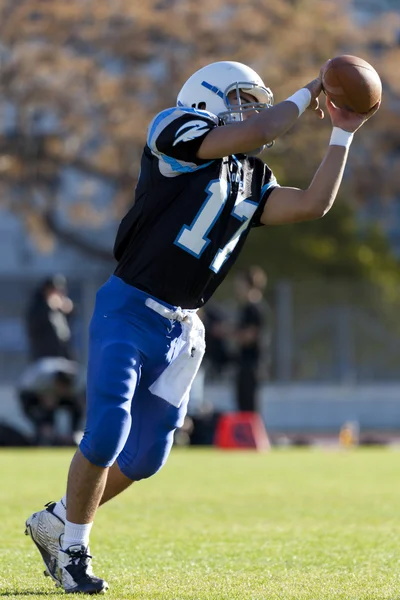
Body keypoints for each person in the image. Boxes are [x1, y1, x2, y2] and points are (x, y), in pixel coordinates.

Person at [24, 60, 379, 593]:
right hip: (130, 306)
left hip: (184, 329)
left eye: (257, 103)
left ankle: (54, 519)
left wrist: (341, 132)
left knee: (146, 458)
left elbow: (312, 204)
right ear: (208, 97)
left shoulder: (251, 176)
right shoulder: (172, 130)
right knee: (108, 431)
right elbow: (261, 129)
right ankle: (74, 547)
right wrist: (310, 91)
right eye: (242, 99)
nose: (253, 112)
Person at [18, 357, 84, 446]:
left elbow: (79, 405)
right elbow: (47, 404)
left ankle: (74, 434)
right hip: (30, 392)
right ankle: (43, 438)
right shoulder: (42, 378)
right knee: (45, 419)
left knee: (76, 407)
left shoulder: (77, 378)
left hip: (51, 390)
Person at [234, 266, 271, 413]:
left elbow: (250, 336)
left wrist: (228, 333)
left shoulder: (254, 308)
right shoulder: (248, 308)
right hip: (247, 363)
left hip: (252, 364)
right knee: (243, 404)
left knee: (248, 406)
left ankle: (249, 435)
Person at [26, 275, 74, 361]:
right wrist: (49, 307)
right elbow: (36, 325)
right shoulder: (38, 308)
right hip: (44, 358)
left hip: (63, 358)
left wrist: (68, 310)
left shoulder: (59, 310)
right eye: (56, 291)